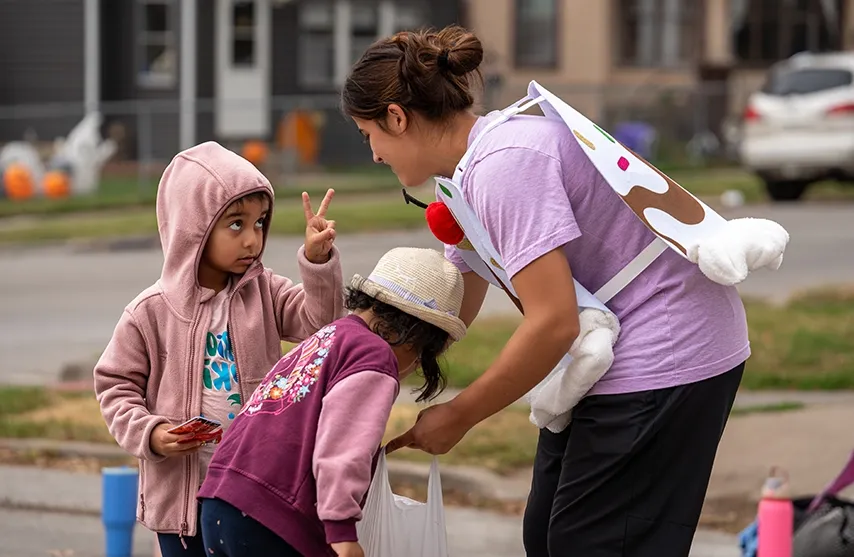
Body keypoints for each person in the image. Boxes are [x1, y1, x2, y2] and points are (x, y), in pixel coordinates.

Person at [341, 26, 750, 556]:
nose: (373, 155)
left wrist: (459, 415)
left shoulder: (503, 165)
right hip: (617, 347)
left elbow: (554, 323)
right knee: (547, 536)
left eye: (367, 133)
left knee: (590, 543)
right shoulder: (465, 177)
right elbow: (451, 305)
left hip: (669, 346)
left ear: (396, 117)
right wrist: (363, 375)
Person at [94, 141, 345, 557]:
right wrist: (150, 433)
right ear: (193, 226)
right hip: (181, 505)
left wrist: (318, 264)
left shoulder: (266, 291)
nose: (252, 239)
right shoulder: (149, 312)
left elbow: (322, 326)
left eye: (260, 223)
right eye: (236, 224)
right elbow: (114, 387)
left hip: (252, 493)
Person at [196, 247, 467, 557]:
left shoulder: (329, 336)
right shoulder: (373, 356)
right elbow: (344, 446)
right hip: (275, 519)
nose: (415, 366)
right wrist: (341, 531)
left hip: (221, 501)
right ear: (414, 337)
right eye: (422, 356)